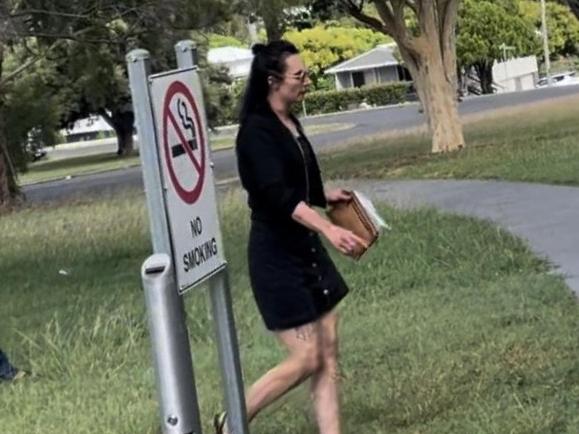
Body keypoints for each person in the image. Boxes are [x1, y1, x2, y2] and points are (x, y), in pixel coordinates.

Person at [214, 40, 367, 434]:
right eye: (299, 76)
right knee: (307, 356)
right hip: (276, 258)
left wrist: (323, 196)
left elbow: (298, 182)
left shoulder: (290, 123)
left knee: (329, 353)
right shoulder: (255, 134)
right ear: (272, 81)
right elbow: (278, 197)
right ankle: (233, 420)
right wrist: (329, 228)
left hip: (306, 249)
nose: (307, 82)